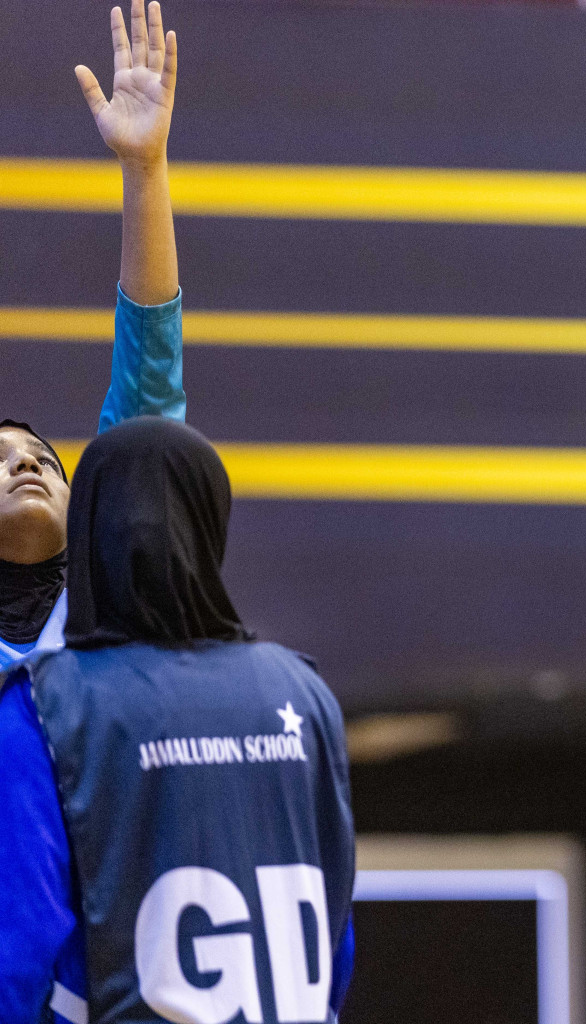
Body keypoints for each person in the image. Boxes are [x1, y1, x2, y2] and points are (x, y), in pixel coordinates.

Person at [0, 418, 356, 1024]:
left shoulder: (41, 703)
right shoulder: (304, 690)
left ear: (87, 535)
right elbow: (336, 939)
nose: (29, 466)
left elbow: (21, 951)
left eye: (47, 460)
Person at [0, 0, 187, 670]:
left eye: (46, 460)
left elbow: (149, 377)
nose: (26, 463)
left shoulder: (118, 610)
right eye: (1, 460)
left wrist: (145, 167)